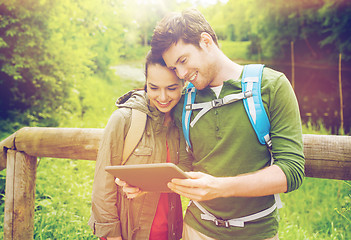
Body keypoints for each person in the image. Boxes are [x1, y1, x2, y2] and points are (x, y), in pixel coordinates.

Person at [150, 8, 305, 240]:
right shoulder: (184, 100)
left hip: (257, 233)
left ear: (206, 41)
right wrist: (141, 185)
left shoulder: (272, 86)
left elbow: (292, 171)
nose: (181, 74)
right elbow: (183, 167)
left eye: (183, 60)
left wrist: (220, 187)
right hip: (196, 230)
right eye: (174, 68)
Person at [88, 51, 184, 240]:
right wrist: (112, 235)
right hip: (129, 233)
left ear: (183, 84)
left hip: (171, 232)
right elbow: (103, 185)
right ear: (145, 83)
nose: (163, 97)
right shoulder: (124, 119)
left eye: (171, 88)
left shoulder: (182, 122)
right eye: (154, 87)